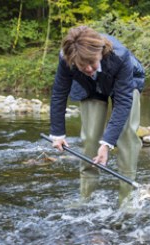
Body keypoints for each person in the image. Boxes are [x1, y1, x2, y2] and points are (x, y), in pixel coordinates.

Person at [49, 26, 145, 205]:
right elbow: (59, 93)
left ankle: (126, 199)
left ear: (100, 52)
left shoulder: (120, 56)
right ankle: (86, 197)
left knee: (126, 137)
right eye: (82, 66)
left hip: (125, 84)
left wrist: (107, 143)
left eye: (91, 63)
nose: (88, 68)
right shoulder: (67, 58)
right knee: (90, 139)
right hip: (90, 87)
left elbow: (124, 102)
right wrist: (58, 134)